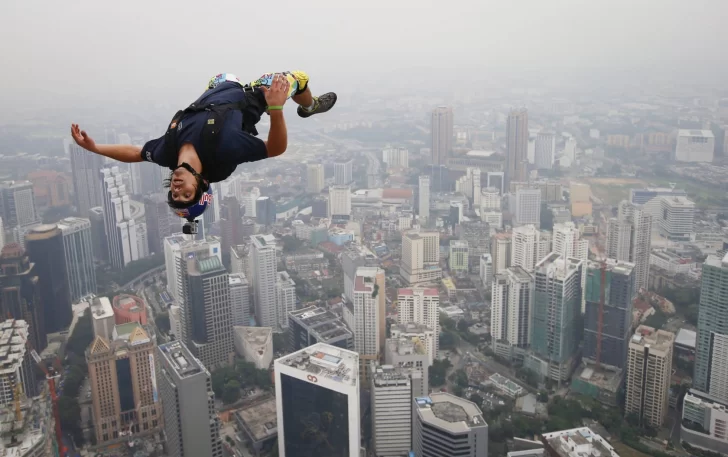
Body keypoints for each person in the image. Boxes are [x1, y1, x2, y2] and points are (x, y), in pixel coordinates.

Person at [70, 71, 336, 220]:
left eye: (175, 194)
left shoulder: (167, 152)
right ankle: (310, 107)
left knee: (223, 75)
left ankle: (230, 82)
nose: (177, 190)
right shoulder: (224, 150)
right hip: (257, 96)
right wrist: (276, 107)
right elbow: (275, 148)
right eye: (186, 194)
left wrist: (95, 148)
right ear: (202, 183)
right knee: (298, 78)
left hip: (220, 87)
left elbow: (136, 153)